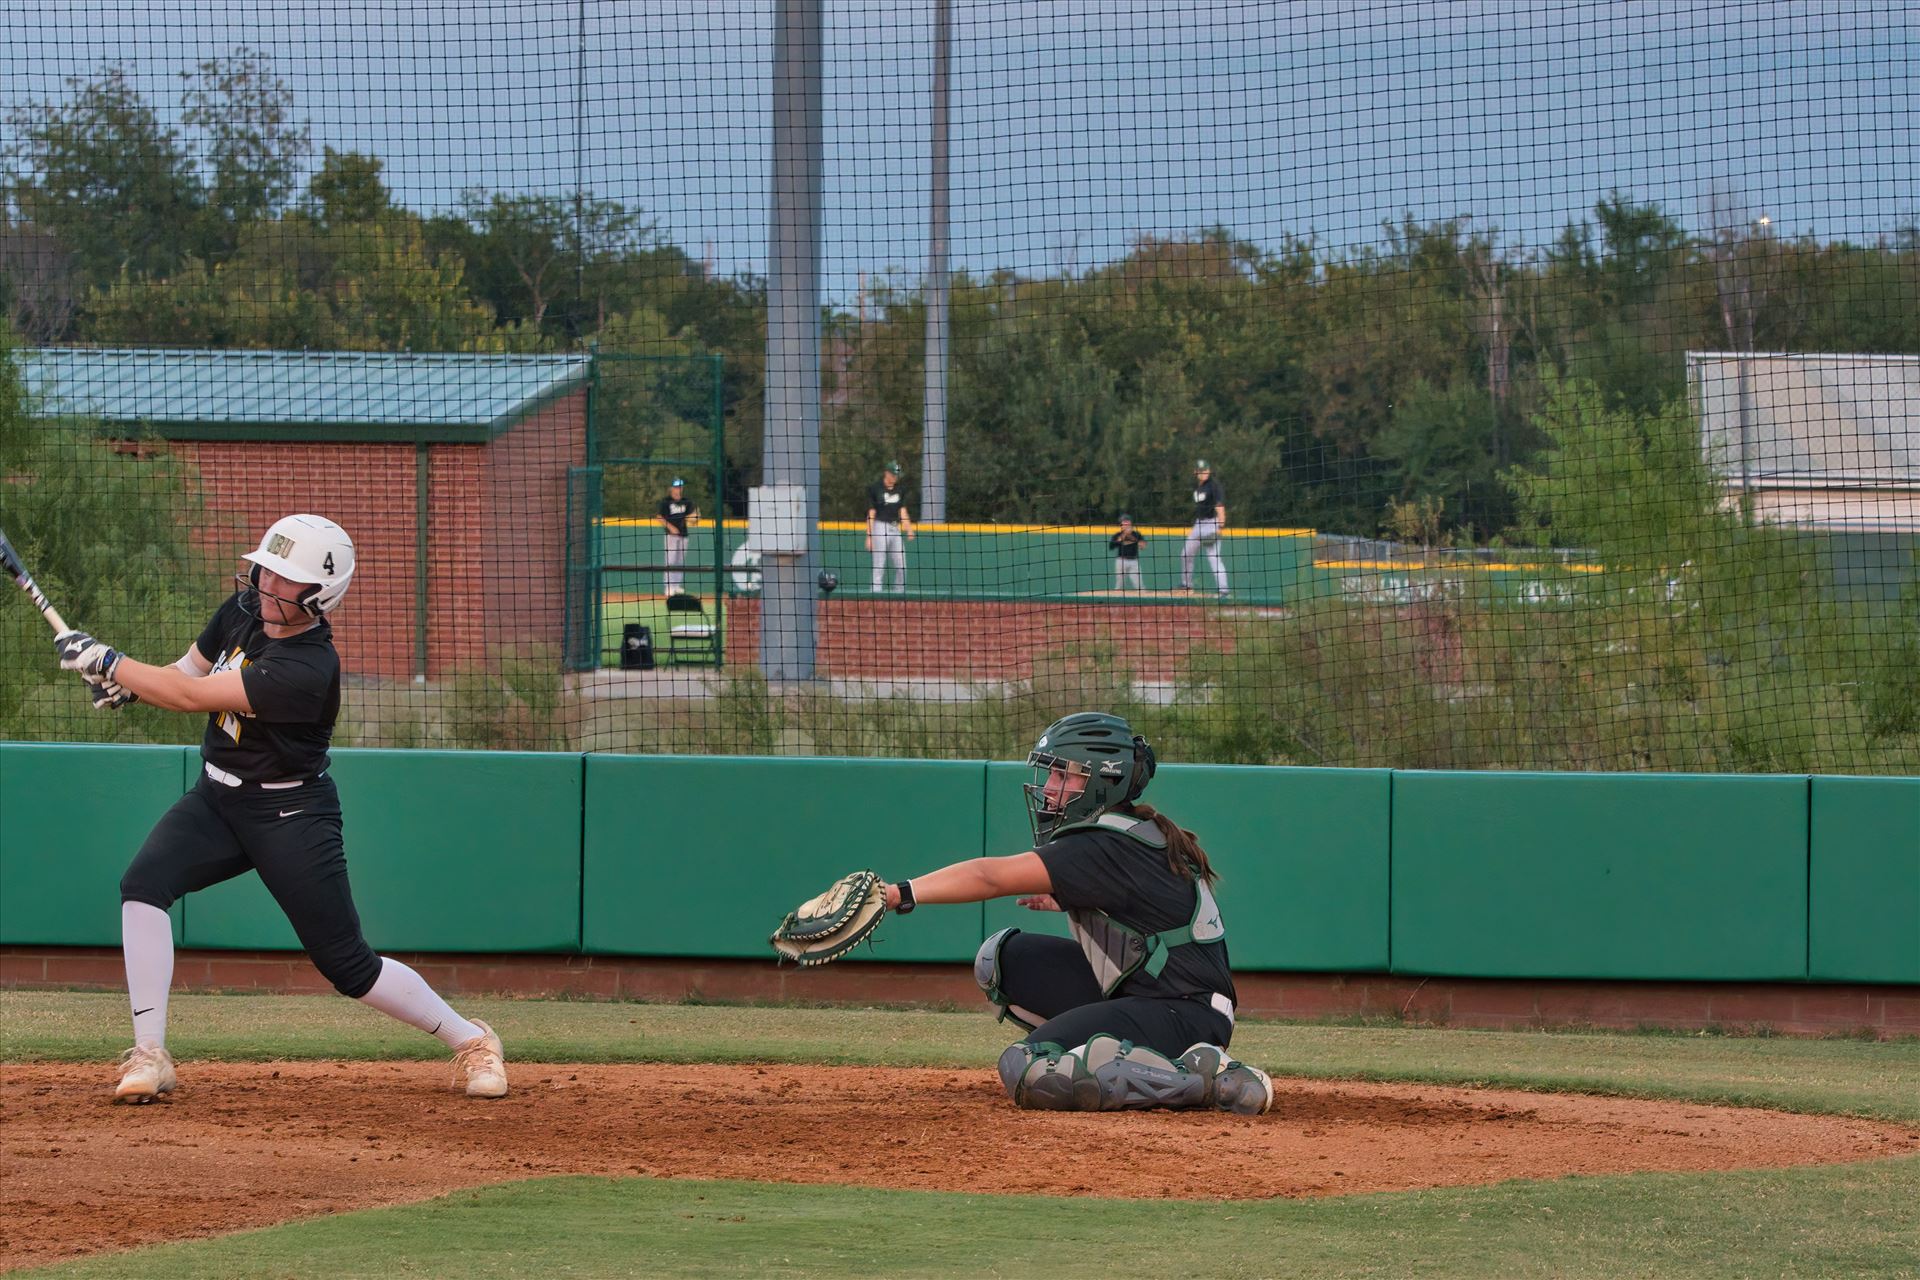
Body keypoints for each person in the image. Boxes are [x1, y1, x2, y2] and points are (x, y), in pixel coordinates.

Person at [52, 514, 509, 1104]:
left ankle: (473, 1041)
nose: (265, 582)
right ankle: (150, 1054)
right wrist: (131, 684)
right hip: (218, 799)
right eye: (266, 568)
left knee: (348, 966)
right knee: (142, 885)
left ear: (319, 596)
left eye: (283, 578)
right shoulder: (241, 612)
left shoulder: (308, 670)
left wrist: (109, 661)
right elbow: (181, 676)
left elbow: (191, 698)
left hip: (291, 814)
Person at [876, 712, 1271, 1114]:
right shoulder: (1122, 832)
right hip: (1159, 998)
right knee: (1003, 959)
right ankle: (1116, 1057)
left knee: (1027, 1067)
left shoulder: (1104, 843)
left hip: (1184, 1015)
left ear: (1102, 781)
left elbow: (989, 876)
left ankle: (1202, 1077)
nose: (1048, 788)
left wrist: (896, 894)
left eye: (1063, 775)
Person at [1180, 459, 1229, 597]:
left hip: (1211, 524)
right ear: (1195, 472)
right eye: (1200, 471)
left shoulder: (1214, 485)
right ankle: (1186, 585)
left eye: (1205, 470)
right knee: (1185, 554)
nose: (1203, 473)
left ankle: (1224, 590)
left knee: (1213, 558)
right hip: (1198, 525)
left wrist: (1220, 526)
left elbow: (1219, 505)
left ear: (1209, 470)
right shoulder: (1198, 486)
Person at [866, 460, 914, 594]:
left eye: (897, 475)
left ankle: (898, 594)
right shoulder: (876, 488)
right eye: (893, 474)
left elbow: (902, 510)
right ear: (886, 473)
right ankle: (875, 595)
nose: (895, 477)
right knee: (879, 564)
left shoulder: (900, 489)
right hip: (880, 526)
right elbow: (871, 512)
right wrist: (869, 536)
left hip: (895, 527)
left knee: (901, 566)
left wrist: (908, 528)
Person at [658, 477, 700, 596]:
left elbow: (694, 516)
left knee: (680, 562)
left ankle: (676, 586)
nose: (678, 489)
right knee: (670, 561)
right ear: (671, 488)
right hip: (671, 536)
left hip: (683, 535)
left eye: (680, 487)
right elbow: (659, 517)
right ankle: (668, 587)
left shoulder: (686, 501)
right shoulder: (666, 501)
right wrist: (671, 527)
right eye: (676, 487)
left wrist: (695, 518)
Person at [1108, 514, 1145, 592]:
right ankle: (1116, 601)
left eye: (1127, 523)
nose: (1126, 525)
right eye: (1124, 523)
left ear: (1131, 524)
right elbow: (1111, 546)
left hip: (1134, 561)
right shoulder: (1117, 535)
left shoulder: (1136, 534)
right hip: (1121, 561)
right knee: (1119, 585)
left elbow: (1142, 546)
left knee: (1139, 585)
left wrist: (1134, 539)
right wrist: (1124, 535)